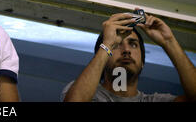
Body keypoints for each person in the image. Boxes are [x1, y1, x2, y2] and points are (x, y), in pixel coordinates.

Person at [61, 11, 196, 102]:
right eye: (117, 45)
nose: (126, 50)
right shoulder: (84, 93)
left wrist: (169, 42)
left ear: (143, 62)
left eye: (133, 44)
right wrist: (108, 43)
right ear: (103, 56)